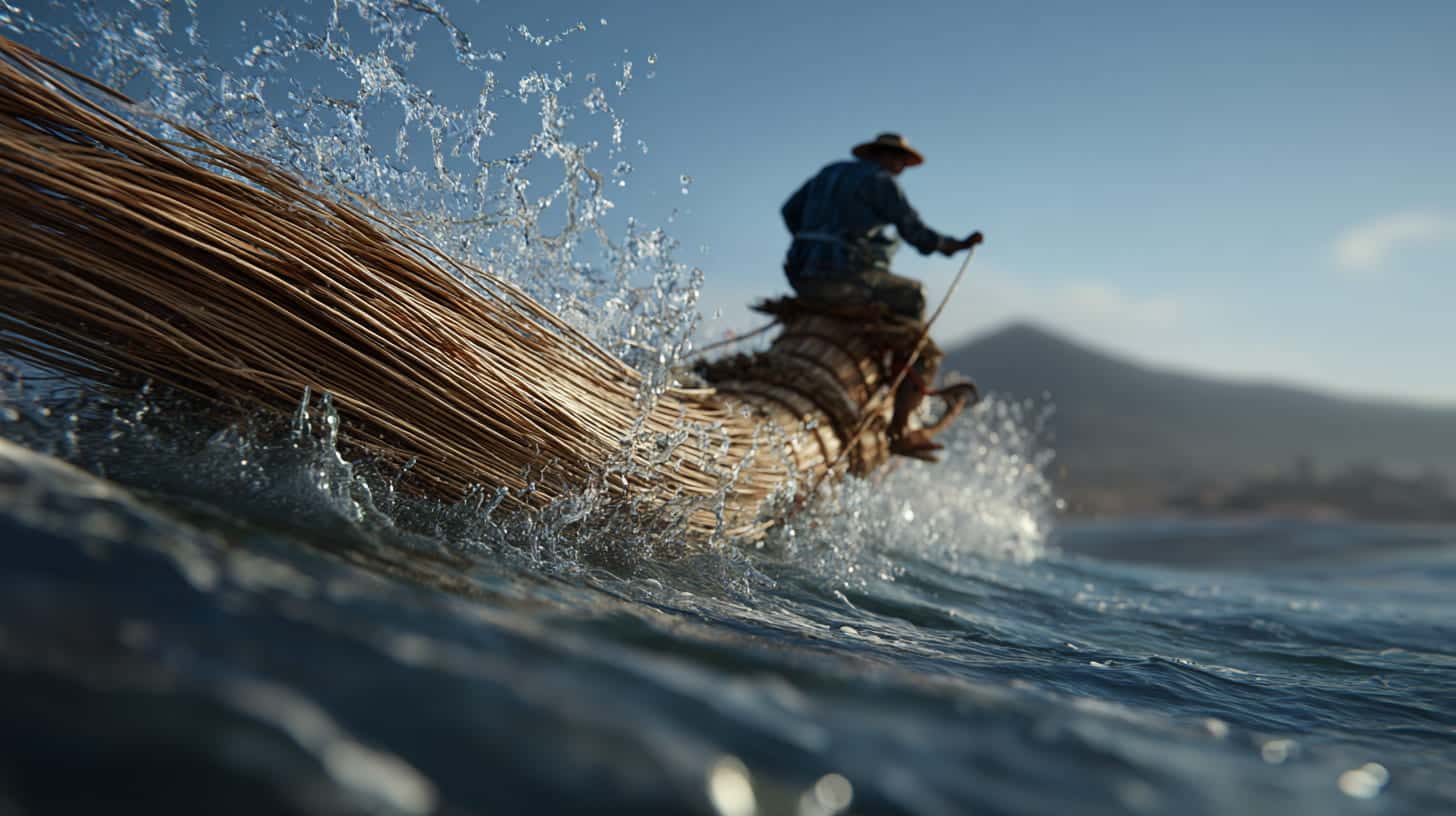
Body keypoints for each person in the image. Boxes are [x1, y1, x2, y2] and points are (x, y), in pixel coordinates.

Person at [780, 132, 983, 459]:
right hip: (844, 279)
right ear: (887, 157)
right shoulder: (880, 182)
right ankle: (901, 423)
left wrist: (817, 239)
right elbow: (915, 233)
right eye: (900, 161)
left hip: (801, 277)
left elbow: (789, 211)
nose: (901, 168)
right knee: (914, 297)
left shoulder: (829, 172)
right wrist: (955, 245)